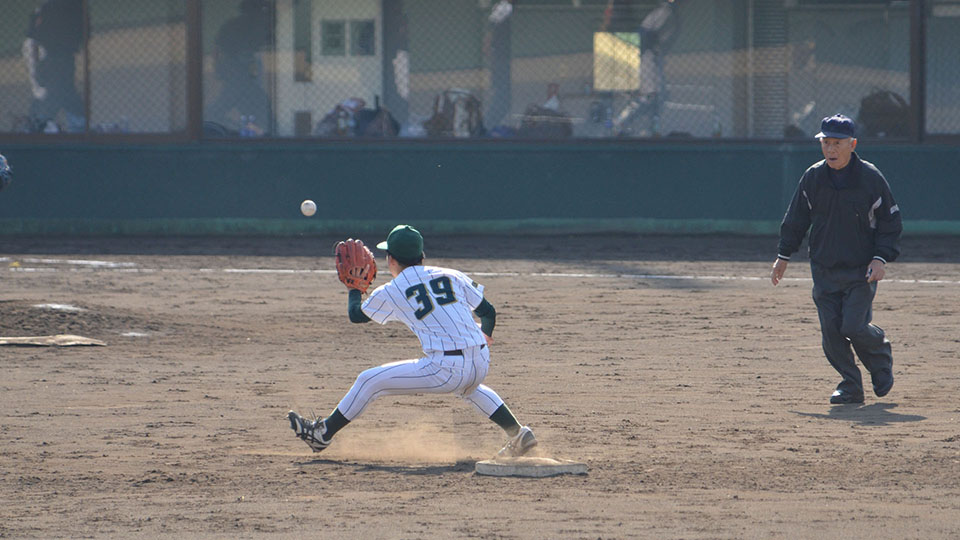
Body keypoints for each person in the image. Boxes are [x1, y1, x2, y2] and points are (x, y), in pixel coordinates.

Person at [288, 225, 538, 458]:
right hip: (481, 361)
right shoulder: (451, 275)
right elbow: (488, 312)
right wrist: (486, 336)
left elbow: (356, 316)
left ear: (391, 260)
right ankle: (518, 434)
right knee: (469, 388)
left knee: (369, 380)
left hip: (445, 369)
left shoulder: (393, 290)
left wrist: (354, 288)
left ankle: (322, 434)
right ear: (422, 255)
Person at [771, 114, 902, 405]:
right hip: (824, 267)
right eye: (825, 143)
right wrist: (783, 256)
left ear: (852, 144)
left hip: (861, 269)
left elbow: (890, 223)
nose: (830, 149)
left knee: (853, 326)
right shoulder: (813, 177)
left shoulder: (870, 178)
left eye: (837, 143)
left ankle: (880, 359)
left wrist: (880, 258)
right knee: (831, 332)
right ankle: (850, 385)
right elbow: (795, 219)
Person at [207, 0, 273, 136]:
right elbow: (218, 52)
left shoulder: (258, 26)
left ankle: (266, 133)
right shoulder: (234, 27)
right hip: (236, 74)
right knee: (227, 103)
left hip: (245, 75)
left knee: (258, 104)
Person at [22, 0, 85, 133]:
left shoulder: (70, 6)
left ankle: (39, 123)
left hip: (57, 55)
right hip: (50, 54)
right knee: (56, 90)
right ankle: (40, 122)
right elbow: (33, 38)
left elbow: (33, 33)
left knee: (58, 90)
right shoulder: (64, 6)